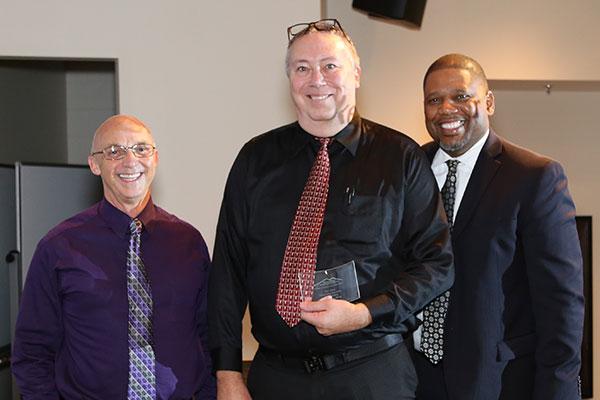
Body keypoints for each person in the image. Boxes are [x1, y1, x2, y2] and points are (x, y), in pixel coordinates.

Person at [208, 19, 453, 400]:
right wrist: (226, 372)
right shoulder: (255, 160)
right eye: (302, 68)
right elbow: (228, 270)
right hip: (275, 378)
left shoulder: (400, 158)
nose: (316, 79)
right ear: (289, 78)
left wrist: (366, 313)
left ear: (356, 74)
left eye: (329, 66)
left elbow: (436, 266)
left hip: (371, 374)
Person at [411, 53, 584, 400]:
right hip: (411, 379)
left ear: (488, 101)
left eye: (460, 96)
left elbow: (561, 306)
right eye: (434, 99)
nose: (446, 108)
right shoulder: (409, 170)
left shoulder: (535, 177)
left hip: (498, 382)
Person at [12, 115, 216, 399]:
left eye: (141, 149)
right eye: (114, 151)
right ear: (95, 164)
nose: (130, 161)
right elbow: (32, 350)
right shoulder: (59, 247)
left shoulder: (189, 243)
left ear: (155, 159)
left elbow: (209, 337)